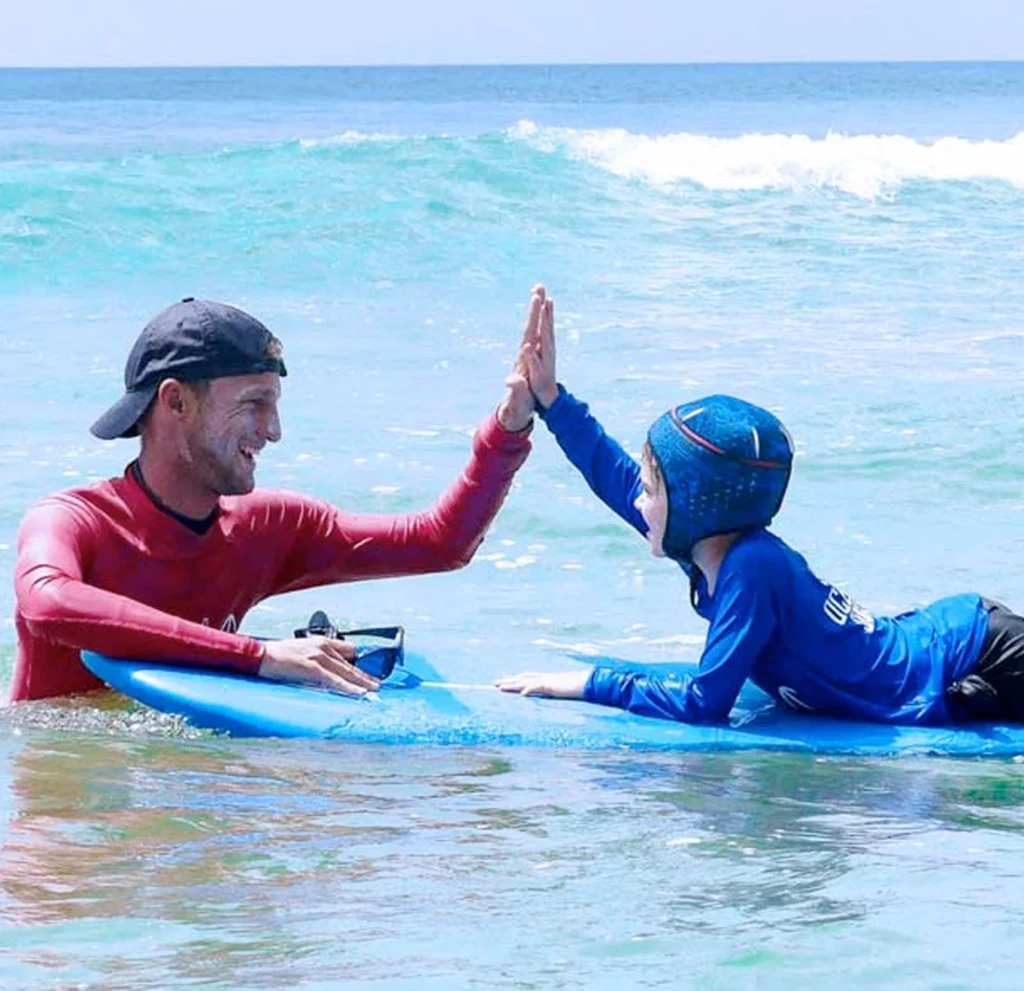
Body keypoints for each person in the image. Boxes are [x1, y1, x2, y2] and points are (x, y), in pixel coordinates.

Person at [498, 296, 1024, 725]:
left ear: (693, 506)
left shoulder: (749, 567)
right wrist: (552, 401)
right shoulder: (709, 542)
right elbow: (614, 479)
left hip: (985, 655)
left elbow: (705, 704)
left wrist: (588, 685)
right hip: (950, 639)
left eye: (652, 490)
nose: (638, 500)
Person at [12, 290, 545, 703]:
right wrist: (257, 656)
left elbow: (439, 544)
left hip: (183, 799)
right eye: (254, 403)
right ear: (176, 403)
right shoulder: (73, 521)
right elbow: (48, 603)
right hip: (65, 810)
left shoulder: (266, 528)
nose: (273, 430)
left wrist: (510, 427)